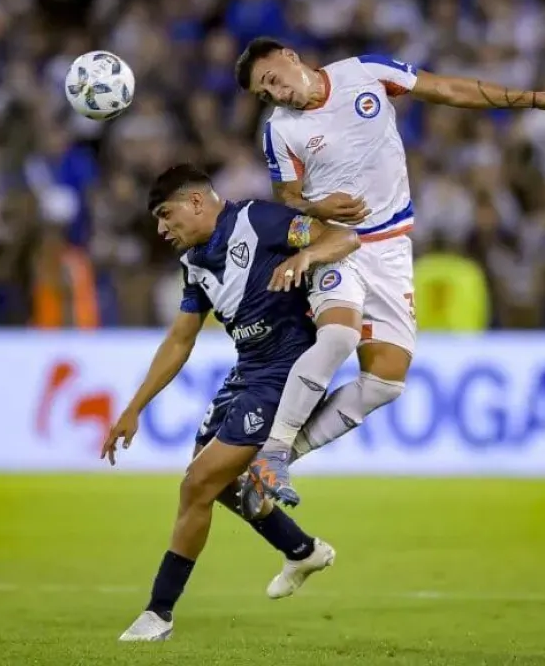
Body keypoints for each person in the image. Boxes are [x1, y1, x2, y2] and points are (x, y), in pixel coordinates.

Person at [234, 38, 545, 508]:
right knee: (337, 338)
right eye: (265, 93)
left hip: (392, 249)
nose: (276, 94)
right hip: (336, 243)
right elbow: (289, 199)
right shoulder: (280, 130)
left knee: (385, 383)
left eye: (273, 79)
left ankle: (276, 460)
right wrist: (317, 206)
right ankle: (275, 448)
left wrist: (535, 99)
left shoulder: (366, 73)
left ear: (290, 56)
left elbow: (447, 90)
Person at [101, 164, 360, 642]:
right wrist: (134, 407)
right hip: (247, 374)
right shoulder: (195, 264)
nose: (161, 228)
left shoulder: (259, 221)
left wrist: (307, 257)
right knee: (215, 482)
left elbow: (342, 238)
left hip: (286, 374)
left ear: (196, 202)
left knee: (197, 483)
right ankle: (300, 549)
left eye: (165, 214)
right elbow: (180, 340)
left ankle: (158, 614)